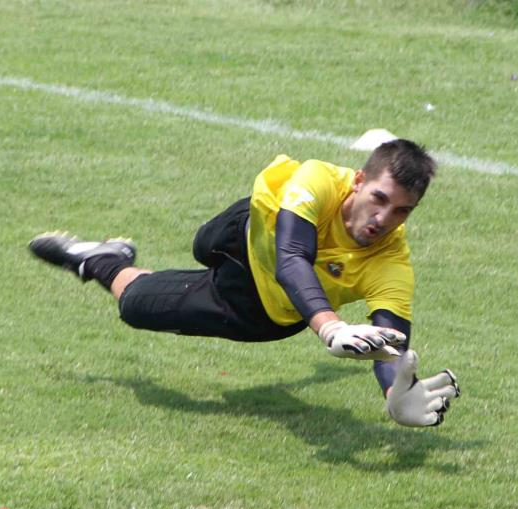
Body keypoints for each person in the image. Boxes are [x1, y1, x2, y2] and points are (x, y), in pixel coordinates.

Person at [29, 139, 459, 427]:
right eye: (379, 199)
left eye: (402, 211)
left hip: (261, 308)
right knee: (201, 243)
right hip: (245, 232)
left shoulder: (391, 261)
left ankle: (104, 260)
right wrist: (331, 326)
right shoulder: (320, 179)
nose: (384, 219)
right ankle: (122, 259)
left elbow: (391, 342)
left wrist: (394, 391)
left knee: (136, 306)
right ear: (359, 181)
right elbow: (293, 257)